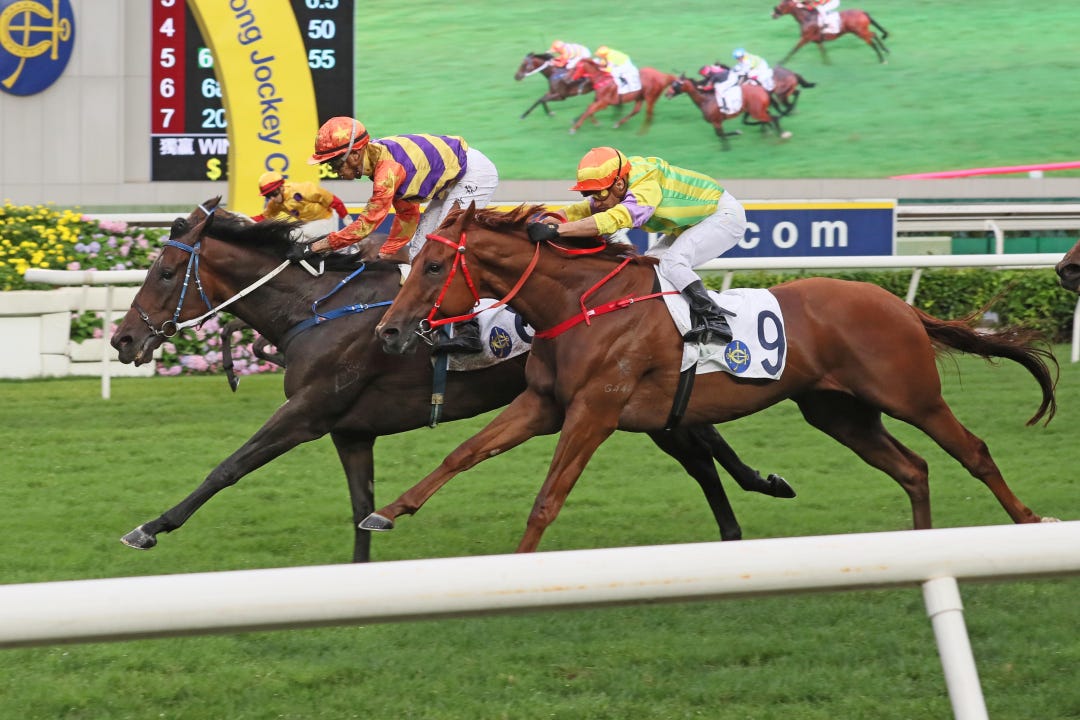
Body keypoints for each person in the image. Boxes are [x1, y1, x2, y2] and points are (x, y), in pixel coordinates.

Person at [301, 117, 500, 354]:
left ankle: (469, 330)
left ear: (354, 155)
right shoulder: (377, 160)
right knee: (418, 255)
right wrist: (387, 252)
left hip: (472, 174)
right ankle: (431, 322)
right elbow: (407, 213)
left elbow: (366, 224)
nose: (334, 170)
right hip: (450, 181)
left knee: (442, 251)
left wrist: (316, 247)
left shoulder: (387, 171)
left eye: (334, 163)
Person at [526, 147, 744, 345]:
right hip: (693, 222)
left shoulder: (646, 185)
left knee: (673, 262)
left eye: (599, 194)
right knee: (649, 268)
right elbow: (584, 209)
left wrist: (559, 230)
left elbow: (615, 219)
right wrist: (547, 220)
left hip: (722, 216)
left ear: (619, 184)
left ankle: (716, 321)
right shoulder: (618, 182)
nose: (596, 201)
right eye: (589, 194)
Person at [252, 171, 351, 240]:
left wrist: (345, 217)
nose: (272, 198)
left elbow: (332, 199)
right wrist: (245, 219)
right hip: (309, 224)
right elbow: (264, 217)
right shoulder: (274, 203)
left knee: (294, 235)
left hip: (326, 219)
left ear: (281, 187)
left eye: (273, 193)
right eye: (268, 196)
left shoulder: (302, 189)